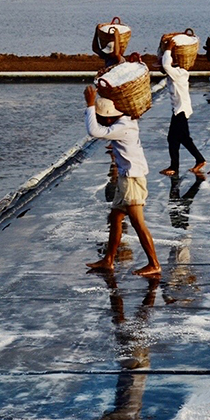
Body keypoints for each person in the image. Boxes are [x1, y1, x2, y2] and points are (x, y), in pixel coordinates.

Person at [83, 85, 161, 277]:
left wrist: (90, 105)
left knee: (137, 223)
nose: (102, 122)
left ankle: (154, 264)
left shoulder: (121, 127)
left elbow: (94, 131)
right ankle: (108, 260)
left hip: (132, 179)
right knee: (116, 218)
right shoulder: (126, 119)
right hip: (127, 178)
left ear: (109, 118)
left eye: (103, 119)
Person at [159, 38, 206, 176]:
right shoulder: (174, 74)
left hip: (181, 110)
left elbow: (167, 66)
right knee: (181, 138)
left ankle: (177, 166)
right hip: (178, 110)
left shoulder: (179, 73)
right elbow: (166, 66)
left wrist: (168, 49)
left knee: (175, 138)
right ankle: (197, 160)